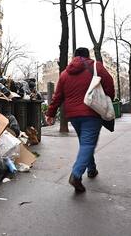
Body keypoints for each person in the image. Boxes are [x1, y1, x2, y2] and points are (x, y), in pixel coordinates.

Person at [45, 47, 115, 193]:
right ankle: (76, 175)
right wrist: (108, 98)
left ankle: (92, 169)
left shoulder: (65, 73)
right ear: (87, 55)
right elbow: (109, 83)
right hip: (92, 111)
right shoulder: (96, 66)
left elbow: (57, 96)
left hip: (73, 116)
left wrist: (50, 113)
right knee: (88, 143)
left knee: (85, 142)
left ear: (75, 57)